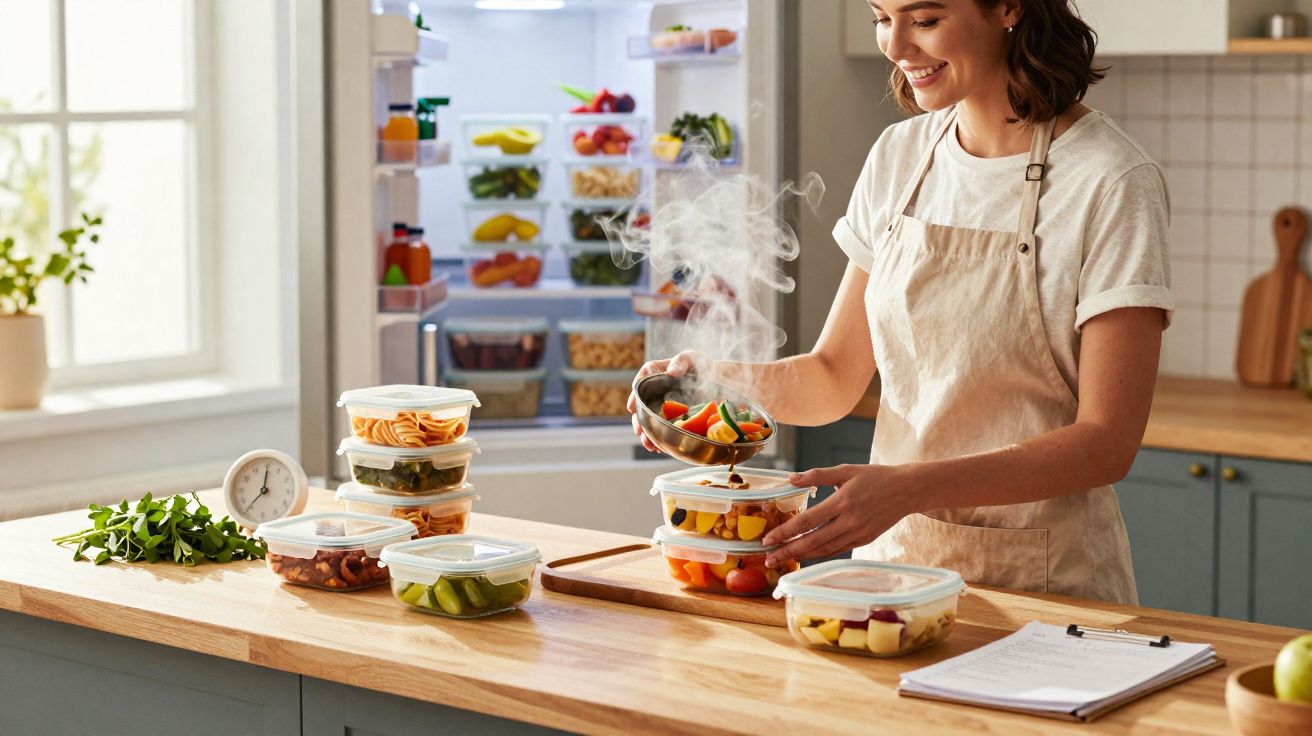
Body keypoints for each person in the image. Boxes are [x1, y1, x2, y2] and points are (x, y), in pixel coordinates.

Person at [627, 0, 1173, 604]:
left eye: (925, 19)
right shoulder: (900, 157)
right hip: (895, 575)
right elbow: (833, 377)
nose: (894, 46)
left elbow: (1107, 442)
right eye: (882, 18)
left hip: (1044, 586)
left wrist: (907, 488)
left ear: (1010, 7)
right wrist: (711, 385)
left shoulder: (1111, 180)